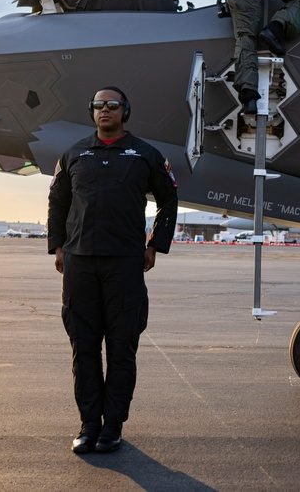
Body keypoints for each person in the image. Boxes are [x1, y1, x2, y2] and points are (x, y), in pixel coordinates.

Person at [47, 86, 178, 454]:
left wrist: (155, 245)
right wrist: (57, 245)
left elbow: (169, 199)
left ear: (125, 110)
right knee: (83, 347)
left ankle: (113, 427)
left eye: (113, 105)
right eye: (99, 106)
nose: (105, 110)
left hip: (125, 265)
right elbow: (57, 200)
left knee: (122, 348)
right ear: (91, 112)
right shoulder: (74, 154)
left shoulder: (145, 155)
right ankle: (89, 425)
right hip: (80, 263)